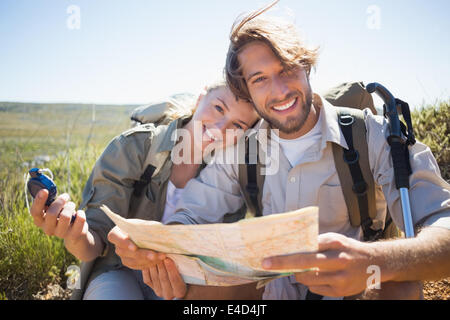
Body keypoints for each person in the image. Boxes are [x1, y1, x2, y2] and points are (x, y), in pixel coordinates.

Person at [117, 4, 450, 300]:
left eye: (287, 68)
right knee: (191, 296)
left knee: (399, 286)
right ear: (245, 89)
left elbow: (443, 223)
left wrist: (374, 261)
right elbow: (191, 215)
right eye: (259, 79)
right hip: (271, 289)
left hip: (356, 290)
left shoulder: (372, 135)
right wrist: (155, 249)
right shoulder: (242, 152)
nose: (278, 91)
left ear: (307, 65)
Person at [30, 81, 260, 299]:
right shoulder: (135, 147)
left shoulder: (231, 178)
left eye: (238, 125)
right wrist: (75, 235)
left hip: (184, 283)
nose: (221, 129)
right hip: (118, 272)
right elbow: (92, 245)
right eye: (219, 107)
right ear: (200, 99)